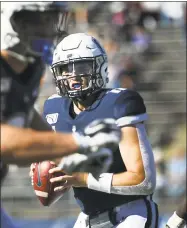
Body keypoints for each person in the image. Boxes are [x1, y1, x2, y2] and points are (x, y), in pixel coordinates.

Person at [0, 3, 121, 228]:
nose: (46, 30)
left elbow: (24, 116)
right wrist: (78, 142)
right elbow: (5, 142)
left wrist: (64, 155)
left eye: (49, 20)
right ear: (9, 21)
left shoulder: (30, 64)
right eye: (36, 21)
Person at [33, 33, 158, 227]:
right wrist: (47, 174)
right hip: (87, 217)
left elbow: (143, 181)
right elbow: (59, 173)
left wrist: (83, 178)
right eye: (66, 69)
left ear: (100, 67)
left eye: (81, 66)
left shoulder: (119, 103)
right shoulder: (54, 108)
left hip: (129, 214)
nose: (73, 75)